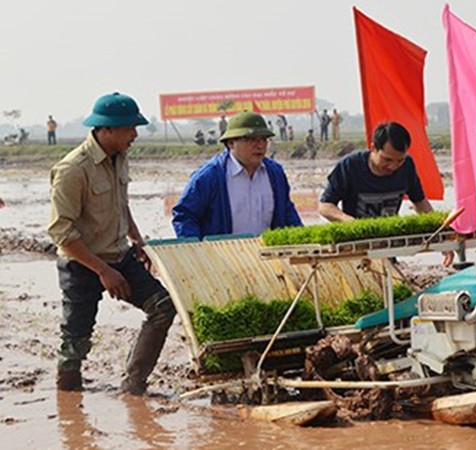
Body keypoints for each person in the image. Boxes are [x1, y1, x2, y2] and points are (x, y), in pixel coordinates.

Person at [47, 92, 176, 395]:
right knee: (74, 343)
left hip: (120, 256)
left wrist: (137, 239)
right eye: (130, 128)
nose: (135, 134)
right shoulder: (72, 170)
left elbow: (120, 202)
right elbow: (61, 232)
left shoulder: (120, 156)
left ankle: (133, 386)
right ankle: (69, 405)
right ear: (106, 130)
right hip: (81, 263)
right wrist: (103, 271)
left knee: (163, 307)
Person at [318, 121, 452, 265]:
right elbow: (325, 206)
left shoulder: (407, 166)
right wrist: (351, 223)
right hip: (355, 249)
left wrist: (441, 239)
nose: (393, 166)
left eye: (399, 161)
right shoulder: (350, 166)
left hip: (387, 248)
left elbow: (420, 202)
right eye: (387, 159)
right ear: (374, 148)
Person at [172, 111, 302, 240]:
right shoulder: (210, 176)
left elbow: (287, 213)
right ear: (231, 143)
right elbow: (185, 216)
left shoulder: (275, 173)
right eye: (251, 139)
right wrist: (198, 251)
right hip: (223, 257)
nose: (260, 145)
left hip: (266, 256)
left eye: (263, 139)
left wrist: (302, 240)